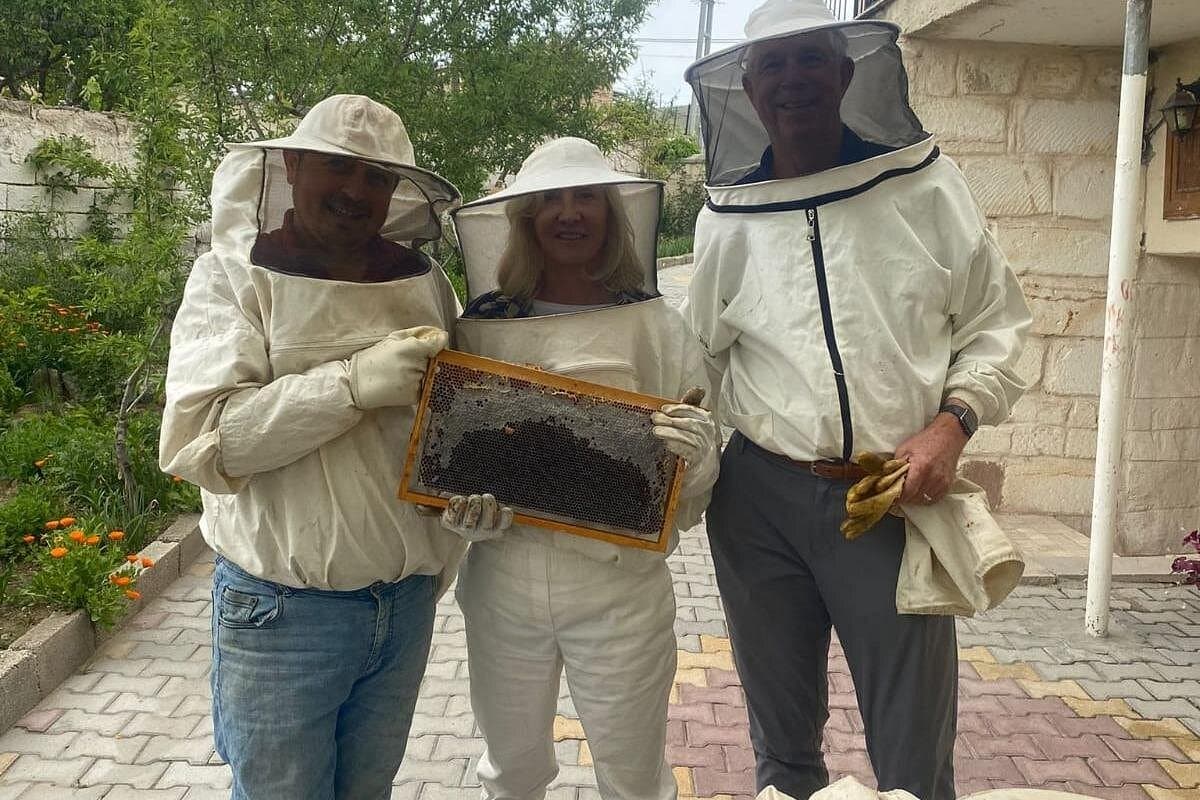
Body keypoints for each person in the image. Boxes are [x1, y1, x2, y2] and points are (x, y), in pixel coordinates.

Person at [681, 2, 1033, 799]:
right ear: (747, 85)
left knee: (912, 750)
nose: (792, 79)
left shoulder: (928, 187)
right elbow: (695, 359)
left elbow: (997, 326)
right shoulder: (725, 218)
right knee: (782, 743)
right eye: (772, 64)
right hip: (758, 500)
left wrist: (954, 423)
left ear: (846, 72)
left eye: (810, 59)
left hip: (888, 494)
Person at [159, 94, 465, 799]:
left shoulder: (426, 284)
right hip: (282, 616)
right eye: (337, 167)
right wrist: (351, 385)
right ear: (292, 166)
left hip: (405, 607)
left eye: (378, 178)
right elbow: (203, 442)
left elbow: (451, 424)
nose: (357, 191)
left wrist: (469, 502)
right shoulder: (232, 277)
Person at [443, 136, 722, 800]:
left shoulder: (654, 323)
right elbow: (449, 450)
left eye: (586, 199)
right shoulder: (483, 326)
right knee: (511, 770)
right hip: (502, 583)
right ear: (526, 219)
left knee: (632, 779)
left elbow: (694, 463)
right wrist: (461, 513)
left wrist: (702, 459)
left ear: (611, 215)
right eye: (552, 202)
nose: (570, 214)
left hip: (620, 589)